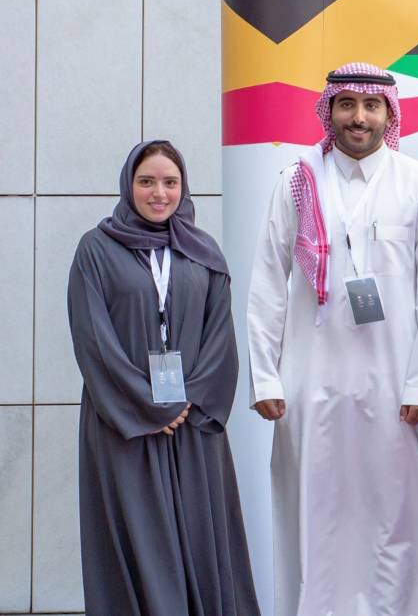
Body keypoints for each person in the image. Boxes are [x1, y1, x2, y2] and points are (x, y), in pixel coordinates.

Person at [245, 63, 418, 615]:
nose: (358, 117)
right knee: (320, 512)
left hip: (396, 387)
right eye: (347, 105)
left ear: (389, 113)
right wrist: (265, 376)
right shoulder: (297, 180)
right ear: (330, 110)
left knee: (400, 513)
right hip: (310, 382)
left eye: (371, 106)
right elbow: (267, 281)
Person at [70, 140, 259, 616]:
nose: (159, 193)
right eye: (147, 181)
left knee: (199, 534)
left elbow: (221, 335)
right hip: (124, 424)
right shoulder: (96, 249)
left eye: (170, 182)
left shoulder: (202, 251)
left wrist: (187, 401)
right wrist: (147, 405)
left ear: (184, 187)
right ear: (128, 185)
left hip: (191, 422)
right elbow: (93, 338)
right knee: (140, 538)